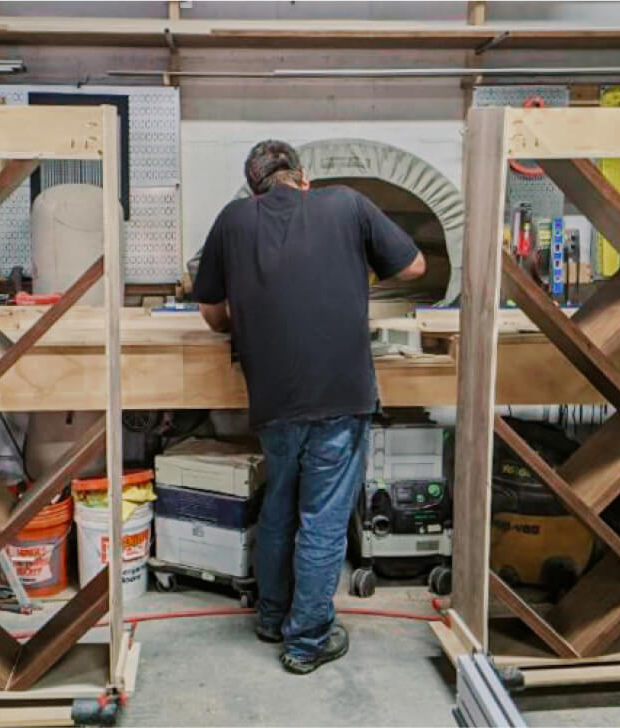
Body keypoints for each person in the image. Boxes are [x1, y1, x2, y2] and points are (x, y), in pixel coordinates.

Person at [192, 140, 425, 674]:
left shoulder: (232, 220)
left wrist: (243, 314)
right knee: (322, 518)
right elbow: (413, 266)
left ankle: (273, 617)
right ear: (303, 178)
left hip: (273, 397)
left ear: (255, 189)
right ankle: (308, 640)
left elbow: (211, 313)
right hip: (340, 395)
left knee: (280, 503)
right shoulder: (345, 202)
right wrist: (353, 269)